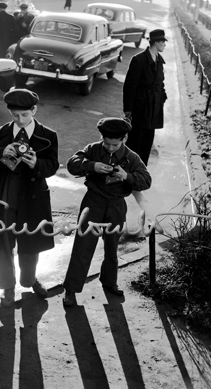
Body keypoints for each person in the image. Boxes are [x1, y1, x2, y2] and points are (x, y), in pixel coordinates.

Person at [0, 89, 59, 307]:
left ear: (34, 109)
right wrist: (1, 152)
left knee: (30, 243)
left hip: (32, 199)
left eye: (24, 115)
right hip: (4, 195)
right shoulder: (2, 132)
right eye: (15, 116)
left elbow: (52, 165)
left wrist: (37, 165)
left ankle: (30, 280)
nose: (20, 120)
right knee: (4, 242)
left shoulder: (48, 135)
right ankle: (7, 286)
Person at [62, 117, 152, 306]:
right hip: (93, 203)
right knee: (83, 245)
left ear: (125, 139)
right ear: (101, 137)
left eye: (115, 144)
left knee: (112, 247)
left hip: (116, 205)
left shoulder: (131, 157)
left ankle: (110, 282)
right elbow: (72, 163)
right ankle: (71, 289)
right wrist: (91, 166)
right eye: (107, 143)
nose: (111, 148)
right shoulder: (93, 149)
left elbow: (146, 180)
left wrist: (126, 176)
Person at [123, 29, 168, 166]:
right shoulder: (138, 60)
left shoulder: (159, 61)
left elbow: (160, 83)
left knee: (148, 141)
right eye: (163, 42)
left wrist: (162, 99)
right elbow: (129, 86)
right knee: (135, 140)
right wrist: (128, 109)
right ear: (156, 43)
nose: (165, 45)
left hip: (154, 108)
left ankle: (141, 172)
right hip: (140, 107)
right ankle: (127, 170)